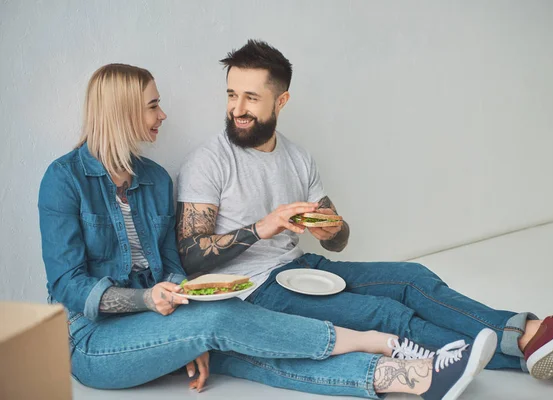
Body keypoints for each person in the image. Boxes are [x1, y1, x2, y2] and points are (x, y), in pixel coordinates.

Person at [38, 63, 495, 399]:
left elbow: (174, 266)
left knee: (248, 355)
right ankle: (381, 343)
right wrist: (155, 305)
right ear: (121, 110)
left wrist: (185, 332)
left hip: (163, 322)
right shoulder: (64, 180)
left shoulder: (155, 179)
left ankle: (411, 379)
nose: (163, 115)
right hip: (92, 339)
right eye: (154, 104)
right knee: (220, 318)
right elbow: (67, 285)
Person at [176, 40, 553, 382]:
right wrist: (263, 226)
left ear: (281, 100)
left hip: (300, 266)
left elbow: (340, 238)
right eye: (232, 94)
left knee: (412, 278)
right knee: (385, 314)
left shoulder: (298, 158)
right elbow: (190, 256)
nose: (237, 108)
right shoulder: (210, 160)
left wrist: (331, 229)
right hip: (253, 291)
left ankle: (533, 339)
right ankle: (529, 349)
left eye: (251, 97)